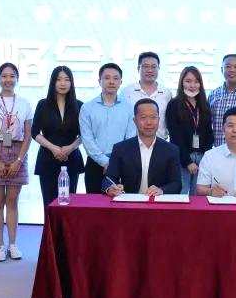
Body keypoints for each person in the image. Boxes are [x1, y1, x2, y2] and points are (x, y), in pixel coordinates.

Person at [0, 63, 32, 262]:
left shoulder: (24, 103)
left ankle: (13, 244)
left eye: (12, 76)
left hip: (18, 151)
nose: (8, 80)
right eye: (4, 76)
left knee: (12, 201)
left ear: (17, 78)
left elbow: (28, 135)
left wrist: (19, 160)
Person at [104, 99, 182, 196]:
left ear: (159, 120)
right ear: (135, 120)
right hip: (128, 201)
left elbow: (177, 184)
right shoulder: (120, 148)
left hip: (157, 202)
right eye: (143, 117)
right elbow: (108, 179)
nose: (149, 122)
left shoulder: (171, 150)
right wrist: (111, 188)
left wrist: (161, 190)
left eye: (153, 117)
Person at [32, 66, 84, 207]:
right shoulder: (43, 104)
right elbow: (34, 132)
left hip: (71, 159)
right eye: (59, 79)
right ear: (53, 82)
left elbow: (84, 134)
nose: (63, 83)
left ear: (71, 83)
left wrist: (70, 148)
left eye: (67, 79)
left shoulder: (79, 105)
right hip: (47, 159)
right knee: (49, 203)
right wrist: (53, 148)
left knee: (68, 203)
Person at [79, 63, 136, 193]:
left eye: (116, 78)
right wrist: (105, 162)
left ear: (121, 82)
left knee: (120, 203)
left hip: (122, 164)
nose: (111, 82)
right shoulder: (87, 108)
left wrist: (115, 162)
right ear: (99, 81)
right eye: (107, 78)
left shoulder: (129, 107)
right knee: (94, 203)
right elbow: (87, 139)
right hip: (94, 163)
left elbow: (130, 137)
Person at [166, 66, 214, 195]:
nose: (192, 85)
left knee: (198, 195)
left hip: (201, 157)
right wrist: (187, 161)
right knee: (181, 194)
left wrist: (205, 157)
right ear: (182, 82)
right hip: (182, 157)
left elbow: (209, 132)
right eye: (188, 81)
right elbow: (175, 136)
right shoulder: (174, 104)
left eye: (196, 81)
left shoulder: (204, 104)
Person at [121, 51, 172, 139]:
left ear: (158, 69)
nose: (150, 70)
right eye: (146, 66)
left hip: (160, 143)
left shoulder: (166, 94)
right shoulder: (127, 92)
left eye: (153, 67)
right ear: (138, 68)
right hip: (132, 143)